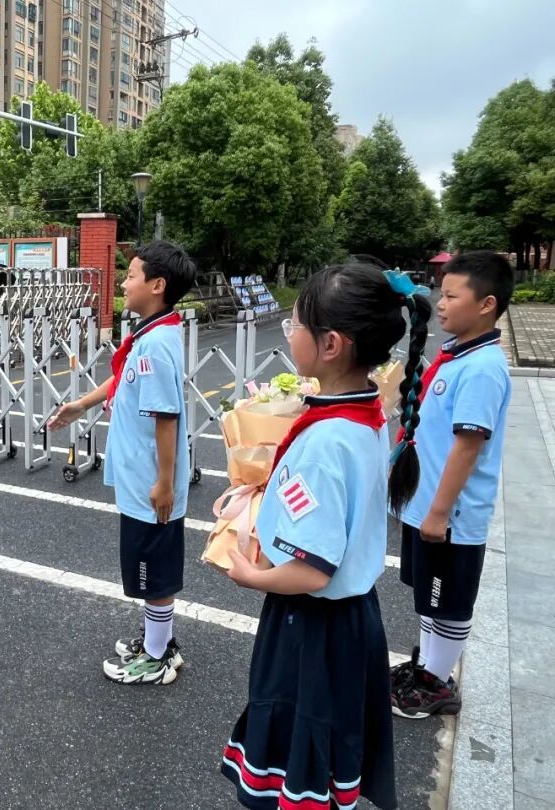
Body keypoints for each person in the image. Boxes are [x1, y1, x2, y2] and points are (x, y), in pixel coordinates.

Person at [219, 263, 431, 810]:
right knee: (330, 751)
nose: (288, 332)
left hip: (312, 626)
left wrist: (249, 576)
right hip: (352, 621)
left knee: (300, 749)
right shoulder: (366, 413)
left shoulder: (326, 443)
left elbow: (312, 571)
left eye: (295, 324)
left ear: (331, 344)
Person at [49, 241, 196, 685]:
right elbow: (124, 376)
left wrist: (165, 482)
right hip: (141, 478)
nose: (124, 283)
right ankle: (158, 640)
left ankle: (157, 656)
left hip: (151, 484)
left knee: (153, 571)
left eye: (131, 275)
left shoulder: (156, 346)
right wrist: (82, 404)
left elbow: (166, 416)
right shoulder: (150, 336)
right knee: (148, 567)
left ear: (157, 285)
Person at [389, 251, 513, 718]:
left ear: (486, 304)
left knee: (448, 602)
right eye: (441, 295)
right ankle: (427, 666)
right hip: (429, 506)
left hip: (451, 517)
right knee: (430, 596)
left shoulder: (482, 368)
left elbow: (467, 447)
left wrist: (440, 512)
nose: (441, 304)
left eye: (452, 296)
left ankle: (437, 685)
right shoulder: (460, 356)